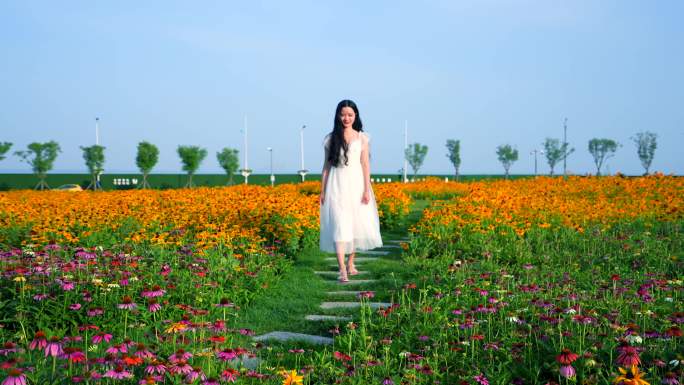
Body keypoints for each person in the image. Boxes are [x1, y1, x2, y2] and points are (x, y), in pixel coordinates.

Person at [319, 99, 383, 283]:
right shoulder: (330, 139)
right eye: (343, 114)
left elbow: (365, 164)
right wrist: (322, 191)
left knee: (355, 224)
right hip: (336, 185)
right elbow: (326, 166)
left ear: (355, 116)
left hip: (356, 184)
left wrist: (366, 189)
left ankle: (351, 263)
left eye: (350, 115)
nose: (346, 118)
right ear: (338, 116)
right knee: (340, 225)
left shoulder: (362, 138)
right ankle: (342, 270)